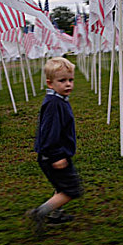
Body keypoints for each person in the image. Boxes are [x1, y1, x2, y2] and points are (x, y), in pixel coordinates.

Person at [27, 57, 83, 236]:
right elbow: (50, 132)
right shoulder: (53, 104)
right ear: (50, 83)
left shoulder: (59, 100)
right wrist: (57, 155)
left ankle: (56, 213)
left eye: (70, 80)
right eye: (62, 81)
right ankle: (40, 213)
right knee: (71, 189)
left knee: (62, 184)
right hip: (53, 155)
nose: (68, 84)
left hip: (56, 154)